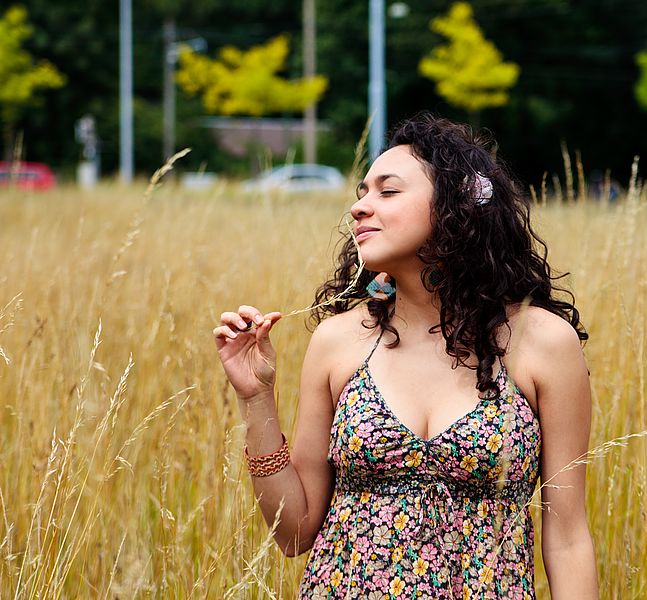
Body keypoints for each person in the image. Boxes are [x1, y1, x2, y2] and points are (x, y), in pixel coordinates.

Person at [213, 111, 598, 599]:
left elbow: (567, 539)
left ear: (458, 205)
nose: (360, 208)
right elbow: (294, 534)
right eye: (361, 194)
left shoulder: (542, 343)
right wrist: (257, 397)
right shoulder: (338, 342)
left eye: (387, 192)